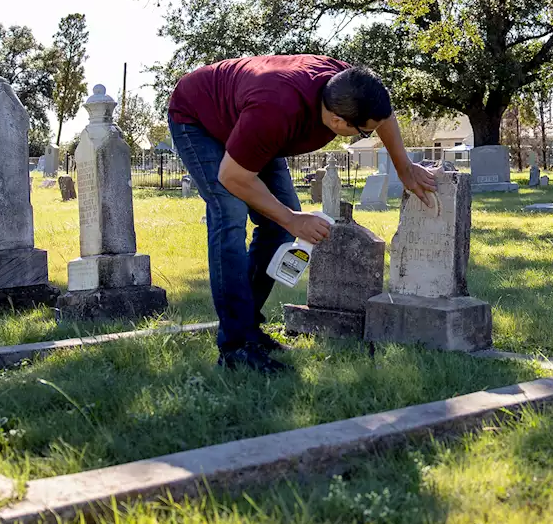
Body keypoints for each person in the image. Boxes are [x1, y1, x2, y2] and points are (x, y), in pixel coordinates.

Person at [167, 54, 437, 373]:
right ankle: (236, 348)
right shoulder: (276, 112)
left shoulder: (348, 84)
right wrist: (294, 219)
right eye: (365, 133)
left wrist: (403, 167)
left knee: (277, 227)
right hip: (199, 118)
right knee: (229, 217)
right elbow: (232, 177)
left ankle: (248, 327)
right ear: (339, 122)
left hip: (249, 121)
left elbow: (383, 115)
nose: (370, 134)